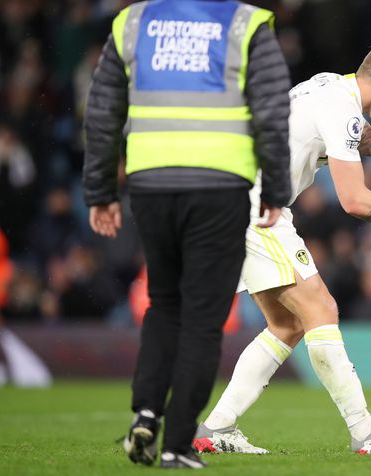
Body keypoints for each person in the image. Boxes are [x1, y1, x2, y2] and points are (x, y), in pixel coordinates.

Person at [192, 19, 371, 456]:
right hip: (255, 207)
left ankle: (216, 428)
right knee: (322, 307)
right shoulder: (342, 109)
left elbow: (368, 140)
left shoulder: (330, 86)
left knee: (287, 324)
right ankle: (365, 431)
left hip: (232, 197)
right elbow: (353, 200)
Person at [82, 0, 292, 469]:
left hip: (151, 182)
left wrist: (100, 191)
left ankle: (146, 411)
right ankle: (177, 444)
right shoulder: (246, 23)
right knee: (202, 317)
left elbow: (102, 111)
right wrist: (276, 187)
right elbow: (272, 112)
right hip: (220, 184)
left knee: (165, 303)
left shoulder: (132, 21)